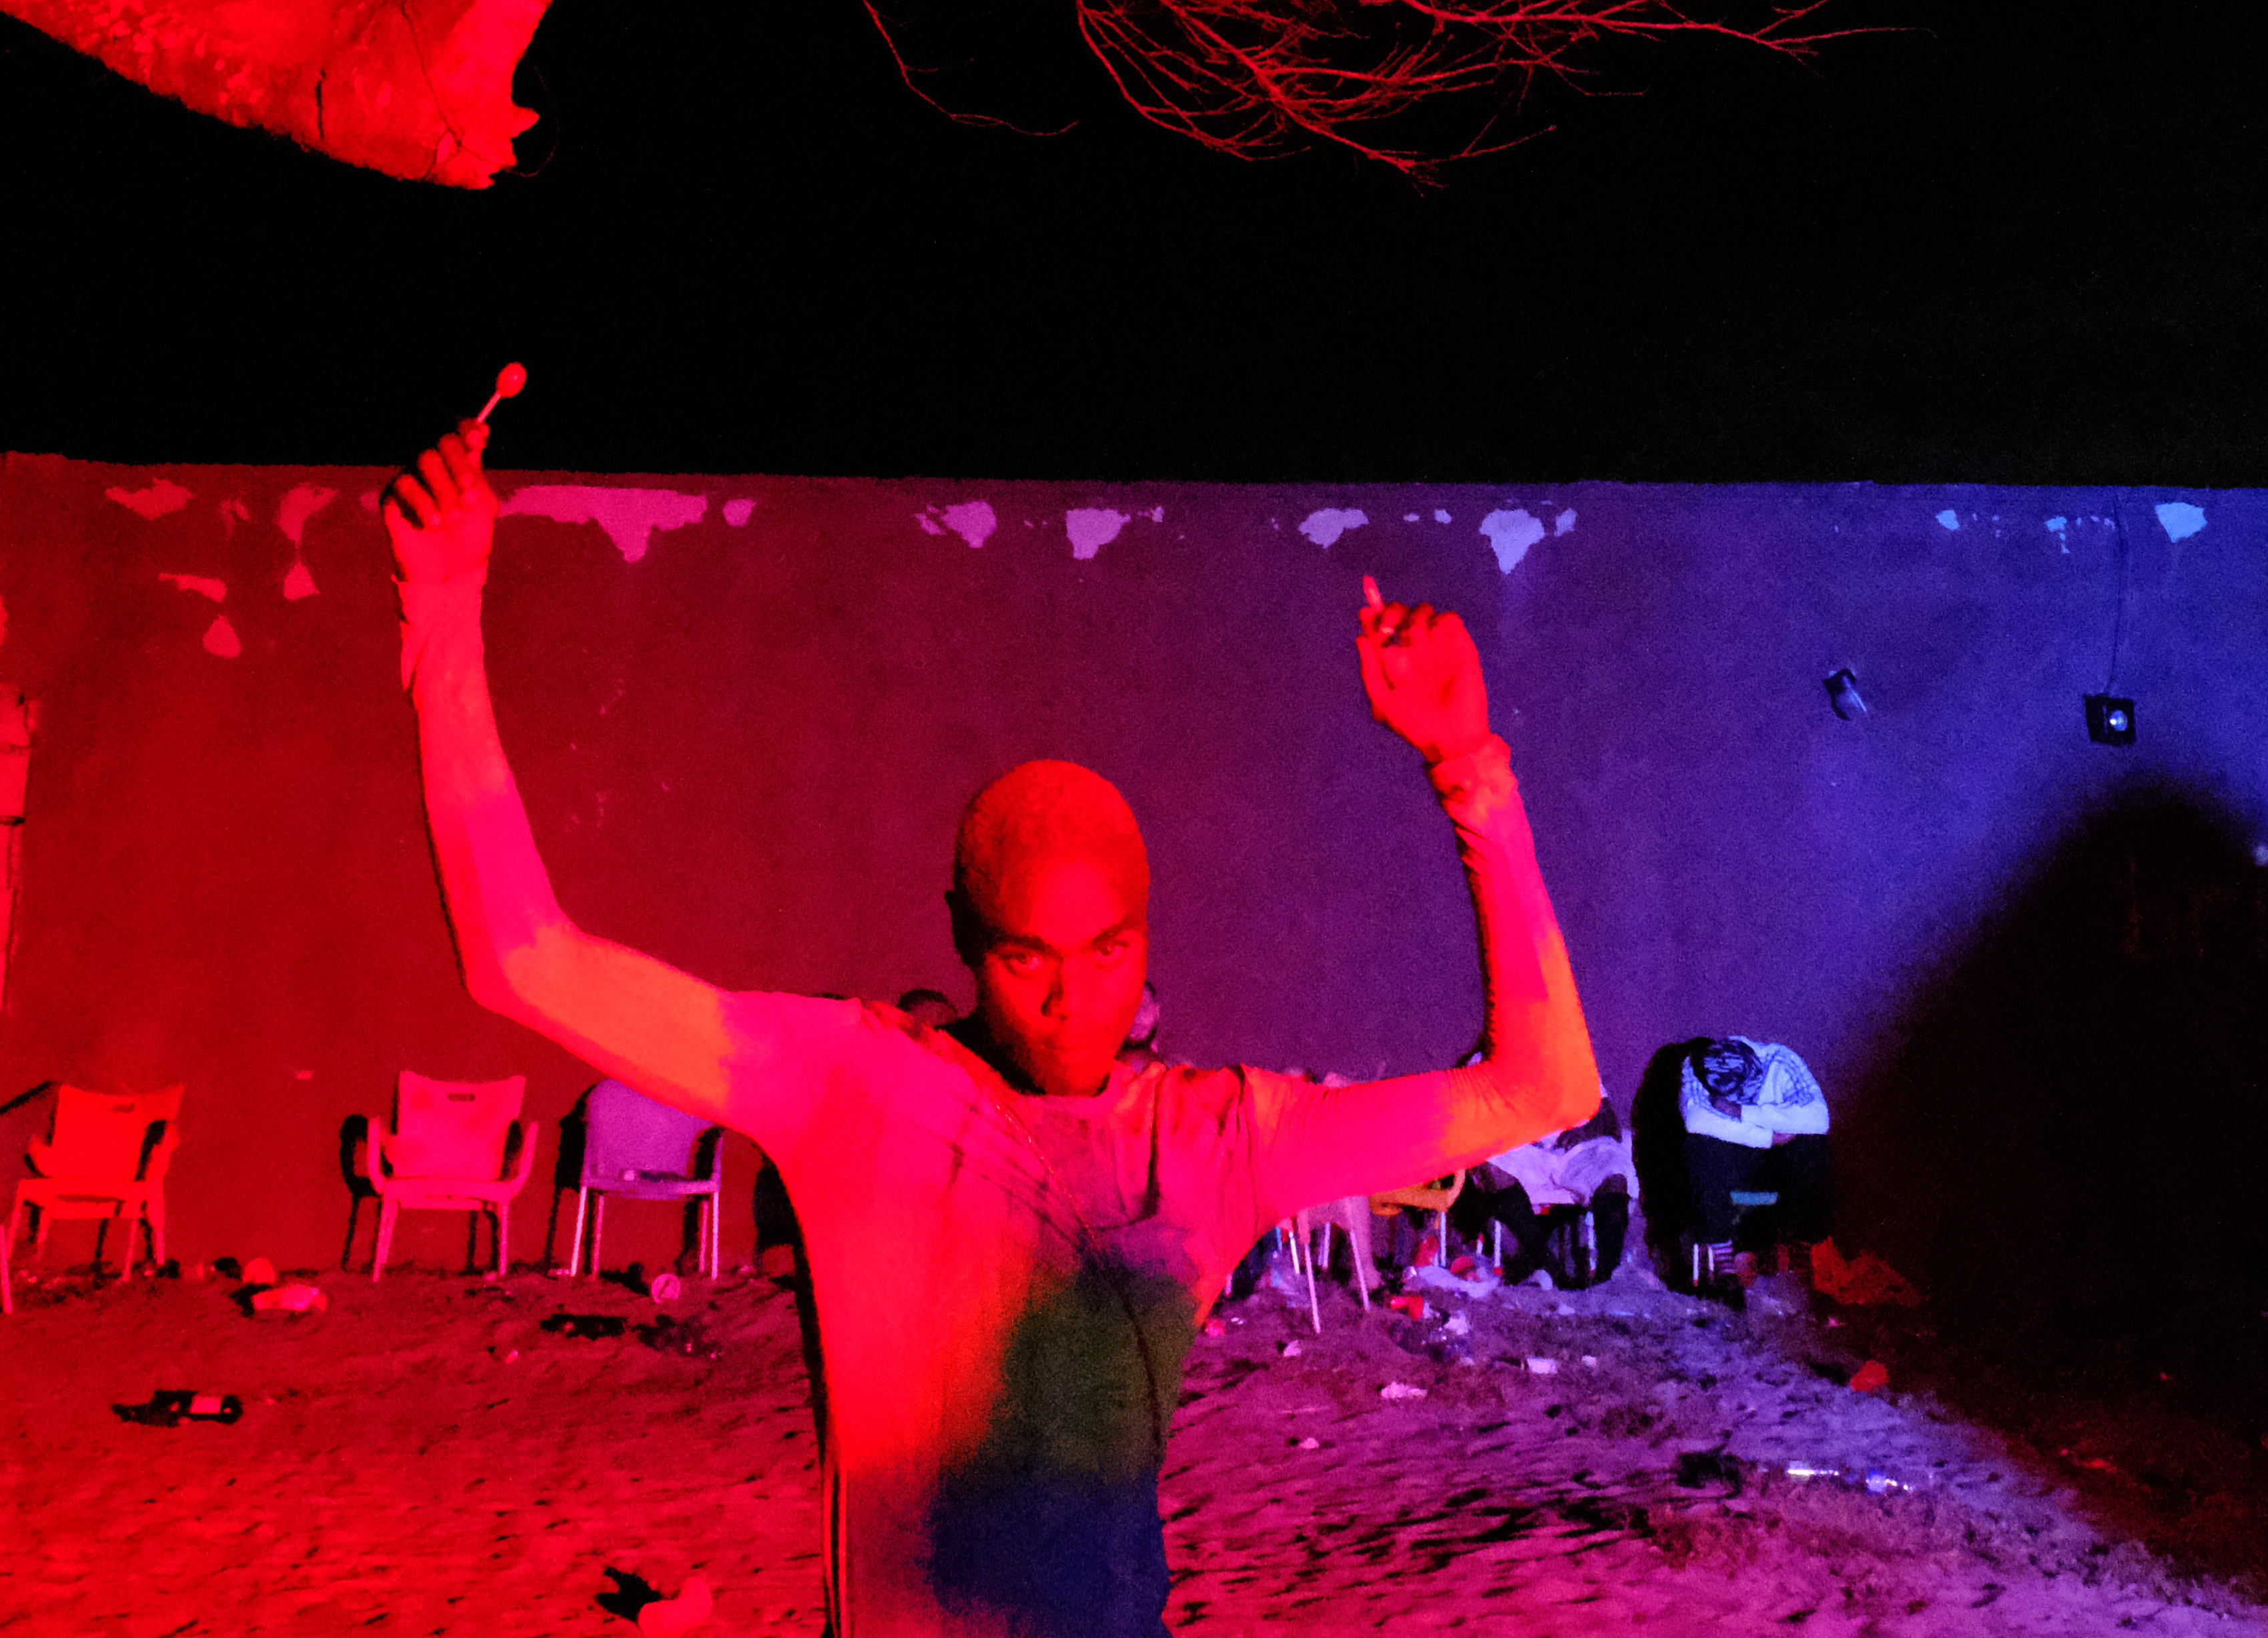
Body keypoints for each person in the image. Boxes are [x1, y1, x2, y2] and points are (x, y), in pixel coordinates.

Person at [385, 423, 1598, 1637]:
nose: (1072, 1005)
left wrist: (1471, 771)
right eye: (1027, 959)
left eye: (1109, 954)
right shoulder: (848, 1085)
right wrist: (441, 608)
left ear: (1147, 941)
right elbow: (523, 960)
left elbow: (1543, 1088)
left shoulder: (1215, 1137)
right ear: (962, 938)